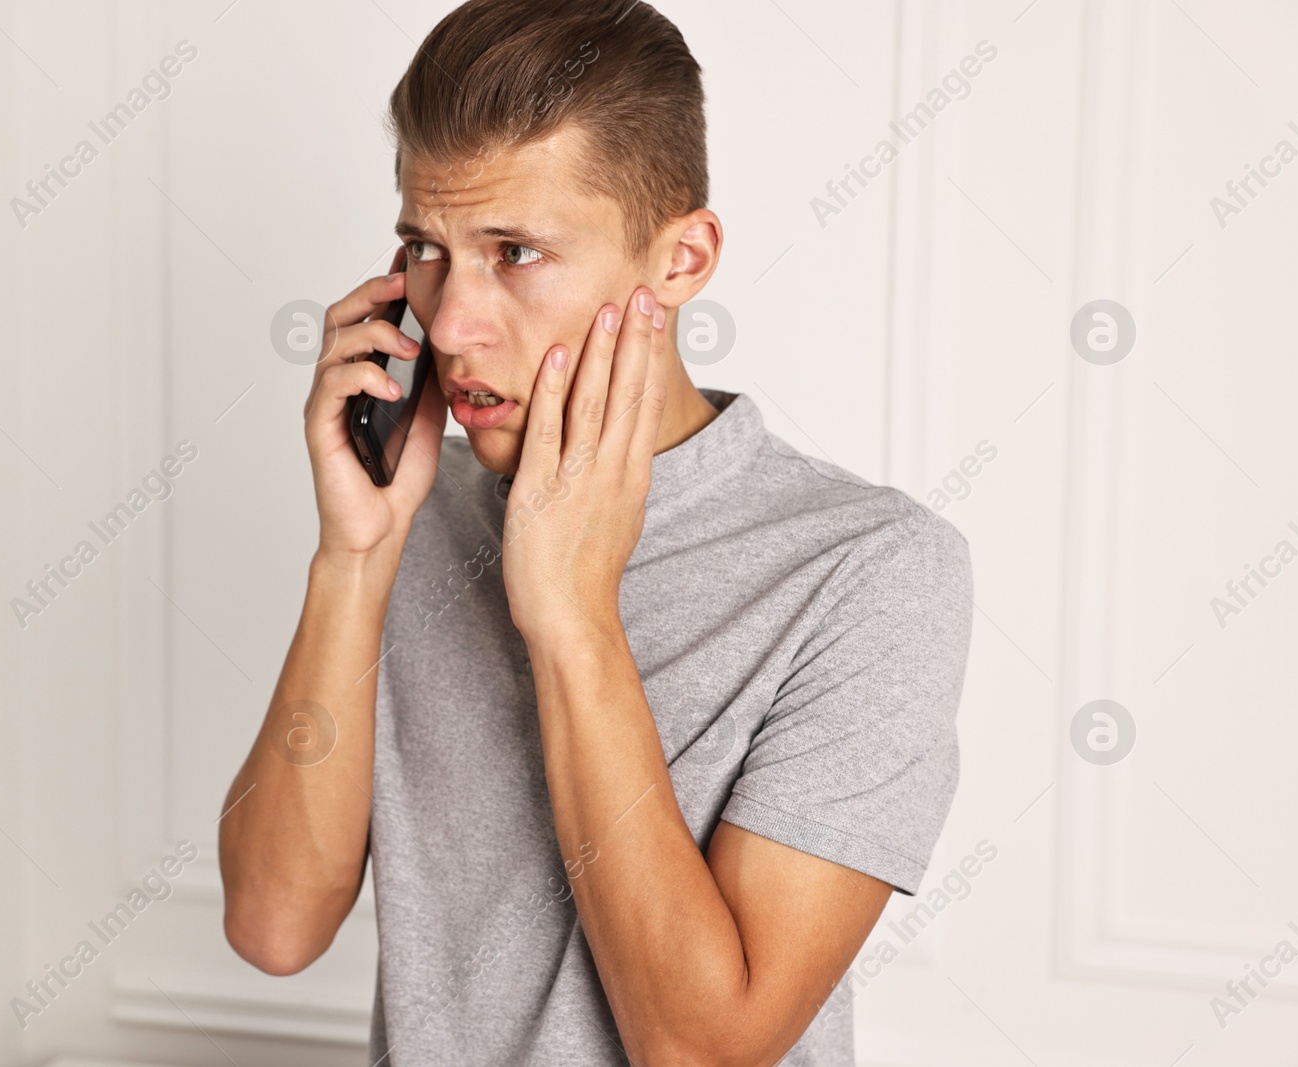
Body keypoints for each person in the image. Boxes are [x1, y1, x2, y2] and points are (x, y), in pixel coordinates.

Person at [218, 2, 974, 1063]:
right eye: (425, 248)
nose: (448, 321)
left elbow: (705, 1048)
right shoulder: (408, 524)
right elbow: (271, 925)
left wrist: (571, 615)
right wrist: (353, 557)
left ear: (679, 258)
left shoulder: (868, 570)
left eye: (515, 250)